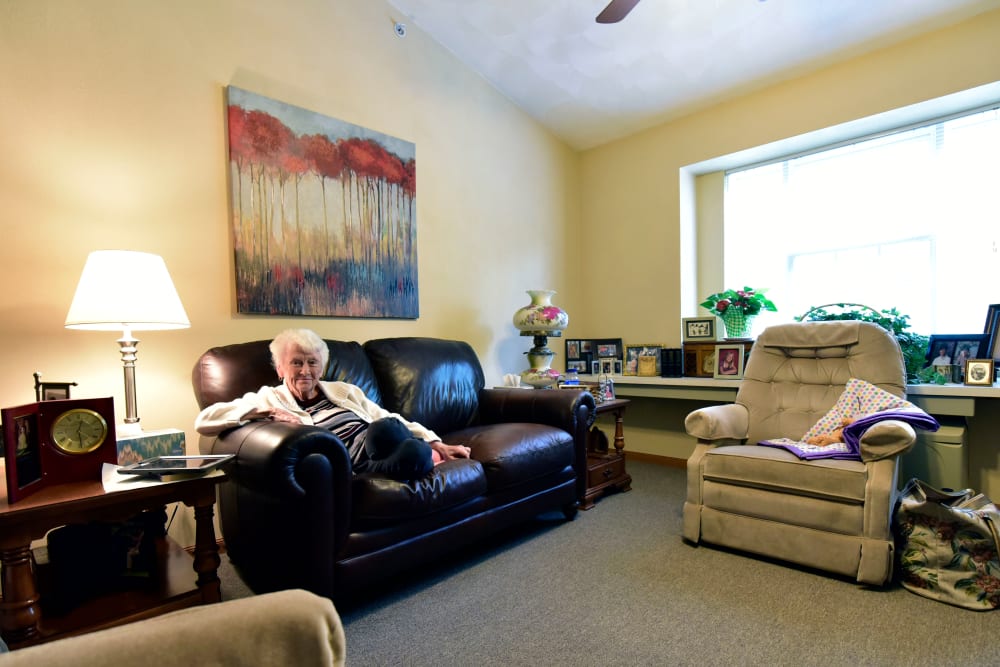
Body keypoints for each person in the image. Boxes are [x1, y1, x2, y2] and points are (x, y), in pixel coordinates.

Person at [195, 328, 471, 479]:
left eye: (312, 362)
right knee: (412, 452)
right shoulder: (268, 397)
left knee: (388, 427)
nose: (305, 370)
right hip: (346, 458)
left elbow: (384, 414)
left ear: (321, 366)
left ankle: (421, 454)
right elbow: (205, 421)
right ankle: (416, 458)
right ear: (280, 368)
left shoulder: (343, 390)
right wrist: (261, 411)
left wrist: (437, 442)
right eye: (296, 362)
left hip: (377, 441)